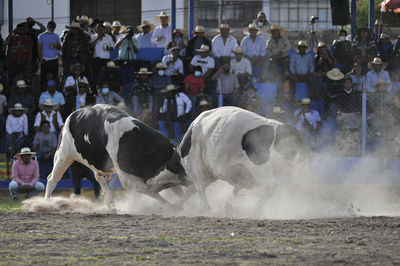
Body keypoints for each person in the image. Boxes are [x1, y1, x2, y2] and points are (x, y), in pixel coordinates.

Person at [5, 22, 33, 86]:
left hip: (24, 62)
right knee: (12, 78)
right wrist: (12, 32)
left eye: (22, 29)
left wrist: (29, 63)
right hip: (13, 62)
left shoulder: (28, 38)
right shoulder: (12, 37)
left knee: (22, 79)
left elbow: (30, 51)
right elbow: (7, 43)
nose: (21, 31)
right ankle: (12, 93)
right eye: (19, 29)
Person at [115, 25, 139, 91]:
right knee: (122, 78)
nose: (129, 34)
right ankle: (123, 91)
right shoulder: (121, 39)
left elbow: (137, 51)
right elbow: (116, 46)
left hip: (131, 61)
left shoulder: (135, 40)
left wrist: (131, 41)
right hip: (122, 61)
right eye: (128, 33)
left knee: (131, 79)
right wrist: (124, 38)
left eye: (131, 33)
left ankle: (130, 92)